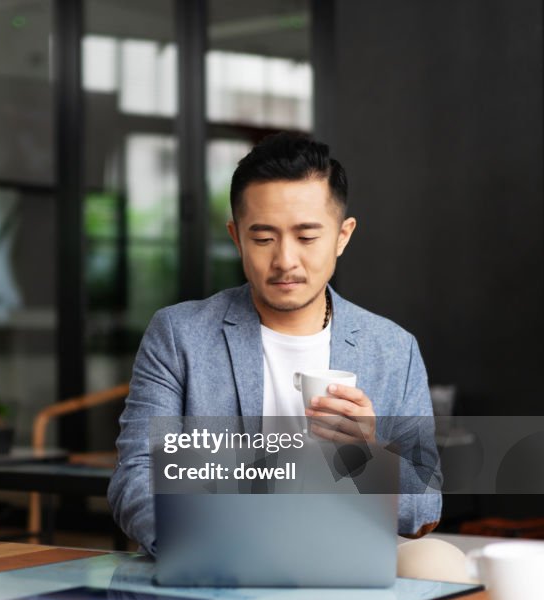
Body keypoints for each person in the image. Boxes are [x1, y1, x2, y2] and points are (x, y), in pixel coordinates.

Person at [108, 133, 442, 555]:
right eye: (264, 239)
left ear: (342, 236)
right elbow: (136, 476)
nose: (285, 260)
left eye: (306, 237)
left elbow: (425, 509)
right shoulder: (179, 335)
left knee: (436, 562)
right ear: (236, 237)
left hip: (341, 567)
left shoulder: (393, 349)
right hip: (217, 566)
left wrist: (366, 457)